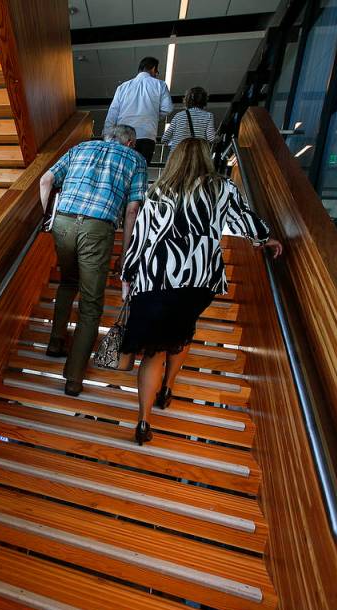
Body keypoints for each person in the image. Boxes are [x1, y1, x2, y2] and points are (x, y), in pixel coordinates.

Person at [120, 139, 282, 445]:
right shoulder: (222, 189)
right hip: (199, 281)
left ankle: (143, 422)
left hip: (157, 279)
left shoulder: (157, 191)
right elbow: (244, 219)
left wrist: (128, 274)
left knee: (153, 348)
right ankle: (168, 387)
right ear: (206, 159)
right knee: (182, 333)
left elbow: (141, 238)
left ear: (175, 159)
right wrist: (264, 239)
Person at [39, 124, 147, 397]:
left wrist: (46, 219)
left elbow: (46, 180)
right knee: (90, 304)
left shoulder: (80, 148)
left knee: (67, 282)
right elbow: (133, 209)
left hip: (63, 222)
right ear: (131, 142)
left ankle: (55, 342)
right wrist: (125, 255)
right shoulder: (135, 159)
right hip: (97, 229)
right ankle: (74, 378)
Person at [104, 56, 173, 165]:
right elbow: (167, 108)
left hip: (123, 135)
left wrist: (107, 135)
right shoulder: (160, 84)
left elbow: (113, 113)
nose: (156, 74)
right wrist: (152, 116)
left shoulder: (123, 87)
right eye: (157, 72)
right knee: (140, 170)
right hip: (146, 135)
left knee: (120, 169)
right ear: (153, 68)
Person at [161, 86, 216, 152]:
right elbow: (211, 138)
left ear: (187, 99)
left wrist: (175, 146)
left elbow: (164, 138)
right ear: (204, 100)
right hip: (195, 155)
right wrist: (219, 138)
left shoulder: (178, 116)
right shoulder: (208, 116)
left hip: (177, 156)